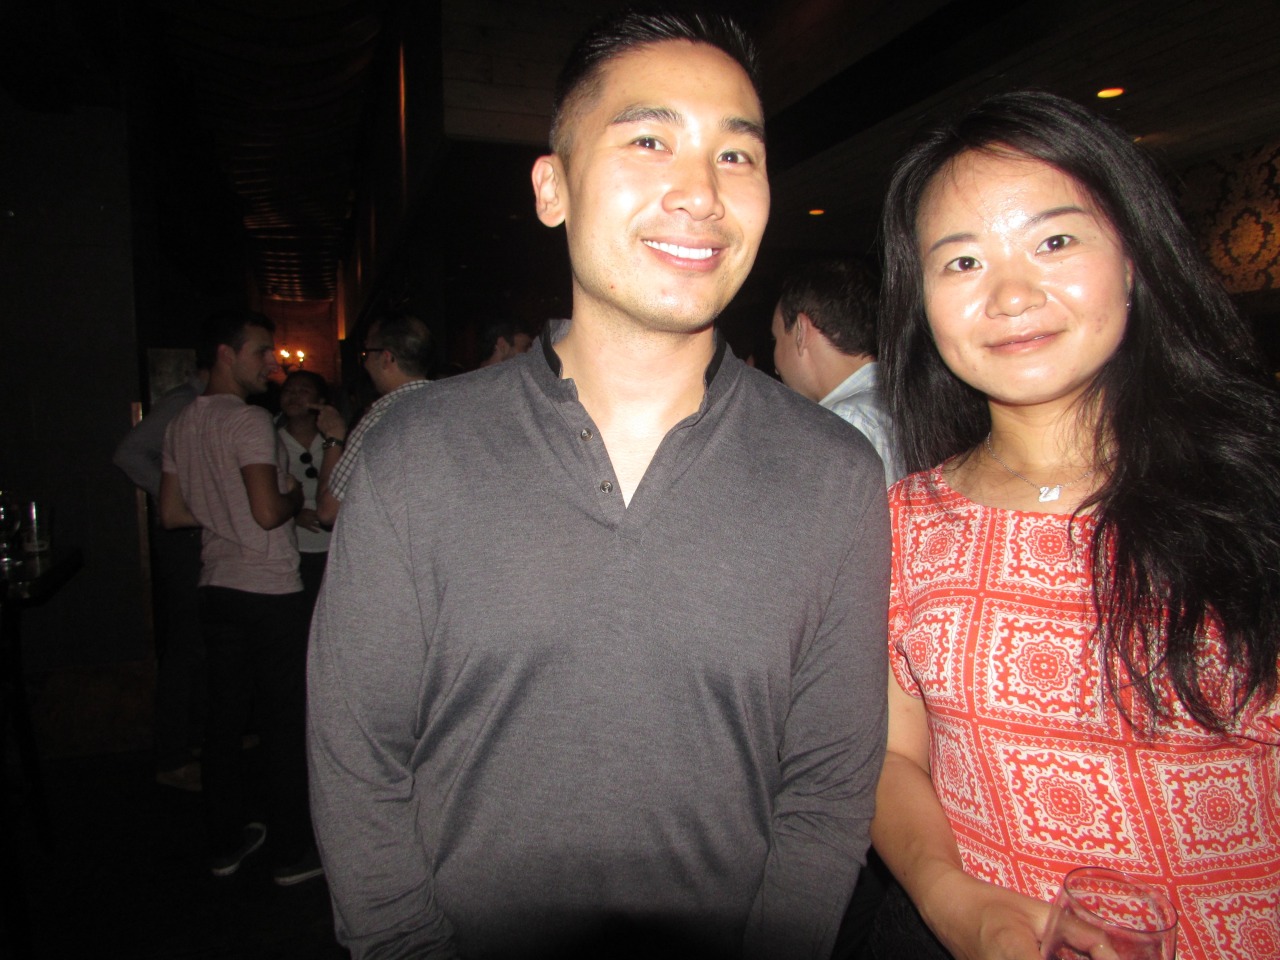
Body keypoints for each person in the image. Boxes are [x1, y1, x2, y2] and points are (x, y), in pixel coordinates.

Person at [308, 9, 889, 959]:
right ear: (553, 188)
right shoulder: (416, 454)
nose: (700, 191)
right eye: (650, 140)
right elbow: (357, 762)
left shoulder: (834, 475)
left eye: (736, 155)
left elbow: (827, 786)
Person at [870, 90, 1280, 960]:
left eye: (1054, 242)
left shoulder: (1257, 491)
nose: (1012, 294)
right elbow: (893, 757)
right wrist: (953, 902)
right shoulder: (903, 524)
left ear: (1132, 257)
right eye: (962, 261)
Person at [160, 310, 322, 886]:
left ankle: (224, 844)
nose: (273, 363)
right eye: (261, 351)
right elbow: (268, 512)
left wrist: (221, 513)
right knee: (282, 721)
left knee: (223, 722)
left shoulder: (181, 423)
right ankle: (291, 854)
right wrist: (293, 493)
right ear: (225, 354)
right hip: (268, 590)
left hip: (216, 588)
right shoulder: (249, 420)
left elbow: (172, 513)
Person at [114, 364, 210, 791]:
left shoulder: (205, 406)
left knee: (200, 642)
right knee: (187, 645)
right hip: (184, 539)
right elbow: (129, 453)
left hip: (196, 537)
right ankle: (172, 758)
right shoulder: (184, 403)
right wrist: (181, 497)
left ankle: (194, 738)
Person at [771, 259, 905, 485]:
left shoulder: (845, 422)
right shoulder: (898, 404)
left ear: (801, 332)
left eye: (775, 339)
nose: (775, 367)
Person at [312, 311, 432, 527]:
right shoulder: (454, 405)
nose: (365, 364)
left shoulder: (380, 419)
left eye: (366, 353)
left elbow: (328, 511)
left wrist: (333, 437)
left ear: (386, 358)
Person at [276, 370, 331, 613]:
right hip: (291, 549)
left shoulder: (334, 440)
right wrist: (293, 514)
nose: (294, 396)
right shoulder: (270, 441)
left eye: (303, 391)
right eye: (288, 390)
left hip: (332, 548)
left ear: (320, 400)